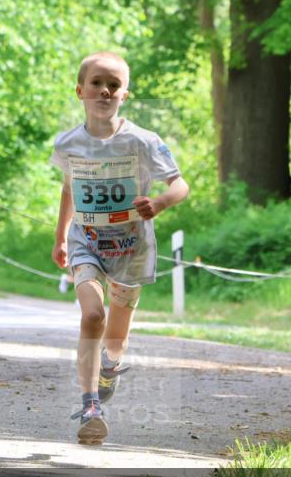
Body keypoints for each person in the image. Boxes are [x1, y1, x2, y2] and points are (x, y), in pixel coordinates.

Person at [50, 51, 189, 445]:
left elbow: (180, 184)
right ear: (80, 90)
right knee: (92, 315)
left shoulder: (144, 142)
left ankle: (110, 366)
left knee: (115, 338)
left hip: (131, 249)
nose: (105, 90)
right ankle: (91, 405)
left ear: (124, 94)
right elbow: (68, 188)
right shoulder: (69, 144)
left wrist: (159, 204)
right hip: (87, 243)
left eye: (114, 85)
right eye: (97, 83)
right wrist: (60, 236)